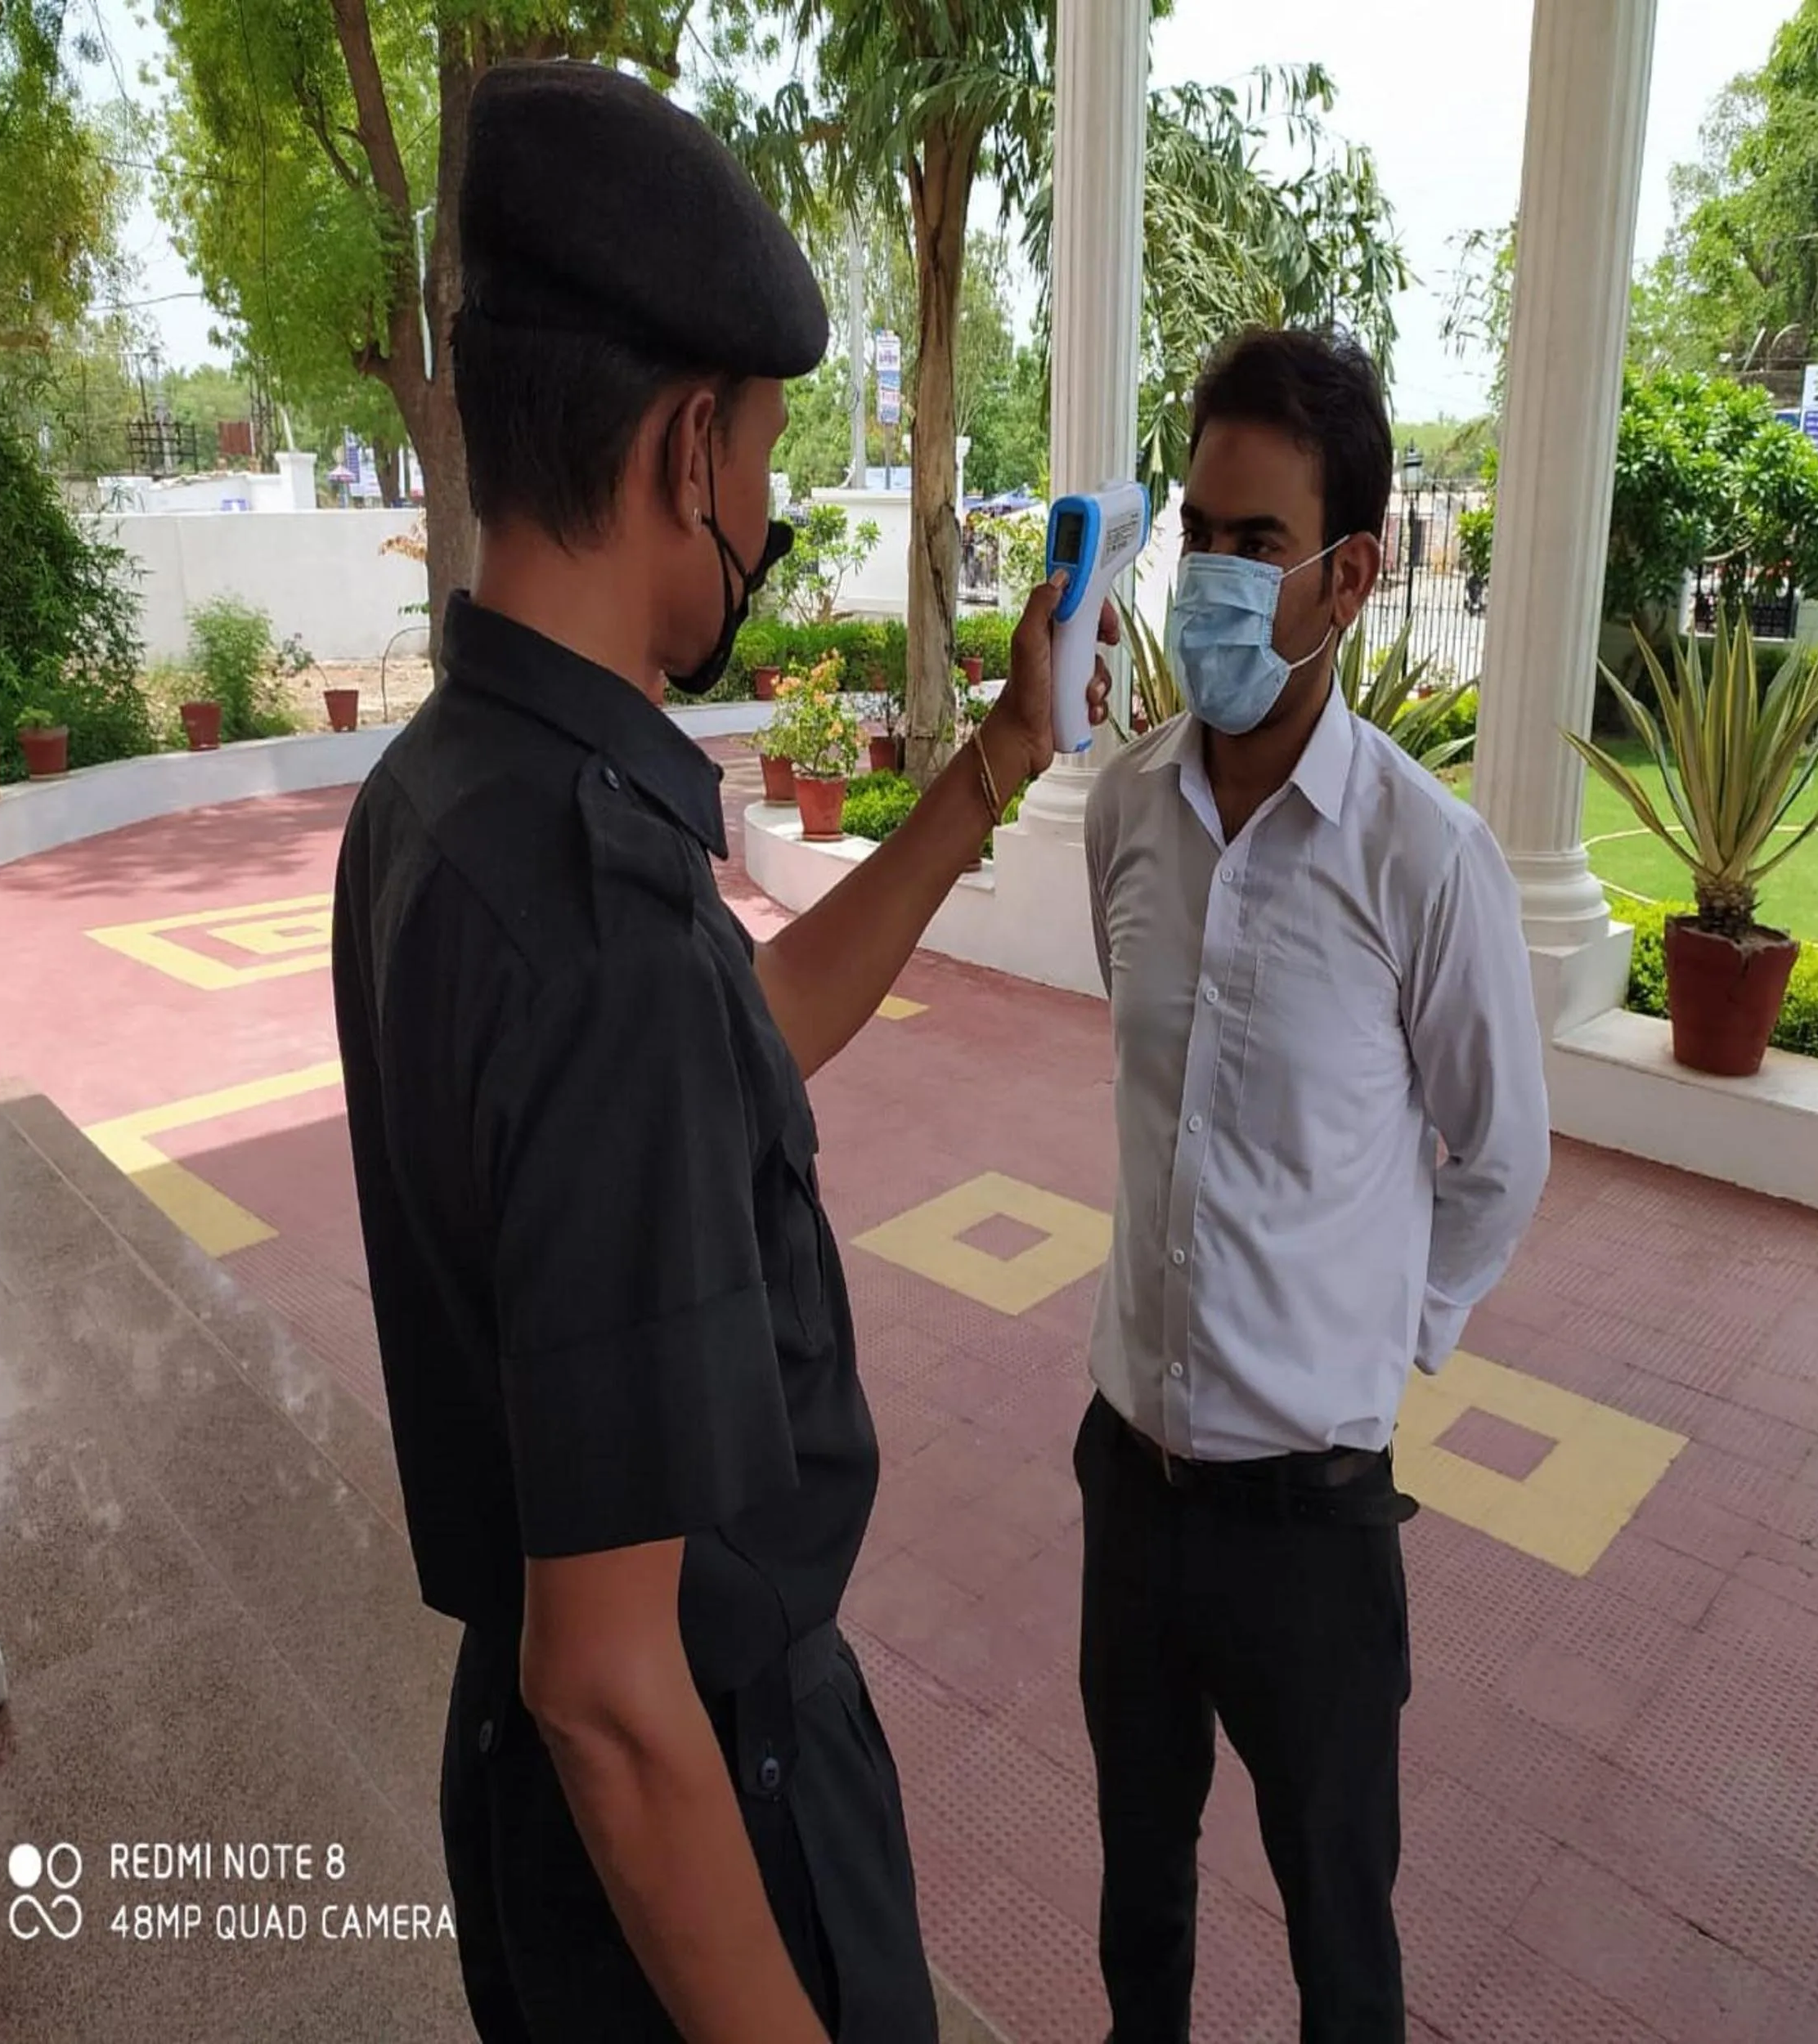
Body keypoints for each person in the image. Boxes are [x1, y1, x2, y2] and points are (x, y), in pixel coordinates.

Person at [330, 61, 1111, 2044]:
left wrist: (990, 765)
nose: (764, 507)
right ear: (687, 445)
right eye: (761, 449)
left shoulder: (438, 795)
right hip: (696, 1814)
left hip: (532, 1791)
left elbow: (732, 1044)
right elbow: (612, 1686)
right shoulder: (590, 923)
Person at [1077, 327, 1551, 2042]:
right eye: (1192, 530)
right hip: (1125, 1479)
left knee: (1337, 1935)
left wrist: (1384, 1339)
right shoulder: (1120, 813)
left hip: (1308, 1521)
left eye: (1250, 542)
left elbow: (1498, 1153)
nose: (1203, 573)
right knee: (1139, 1903)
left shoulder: (1424, 860)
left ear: (1345, 576)